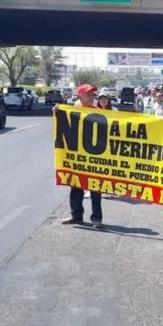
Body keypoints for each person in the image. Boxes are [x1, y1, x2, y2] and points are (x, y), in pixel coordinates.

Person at [60, 84, 104, 228]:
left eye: (93, 95)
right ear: (80, 96)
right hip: (77, 157)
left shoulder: (98, 112)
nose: (92, 97)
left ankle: (96, 218)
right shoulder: (73, 110)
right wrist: (56, 111)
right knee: (76, 186)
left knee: (95, 189)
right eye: (88, 94)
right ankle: (76, 215)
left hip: (93, 157)